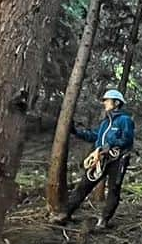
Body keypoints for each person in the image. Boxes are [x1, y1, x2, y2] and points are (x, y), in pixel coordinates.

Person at [51, 89, 135, 229]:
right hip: (101, 159)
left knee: (113, 189)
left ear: (116, 102)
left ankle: (104, 219)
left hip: (118, 159)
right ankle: (65, 214)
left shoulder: (125, 120)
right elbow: (94, 136)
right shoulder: (105, 122)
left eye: (107, 100)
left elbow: (127, 139)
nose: (104, 103)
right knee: (84, 185)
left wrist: (111, 145)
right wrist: (76, 132)